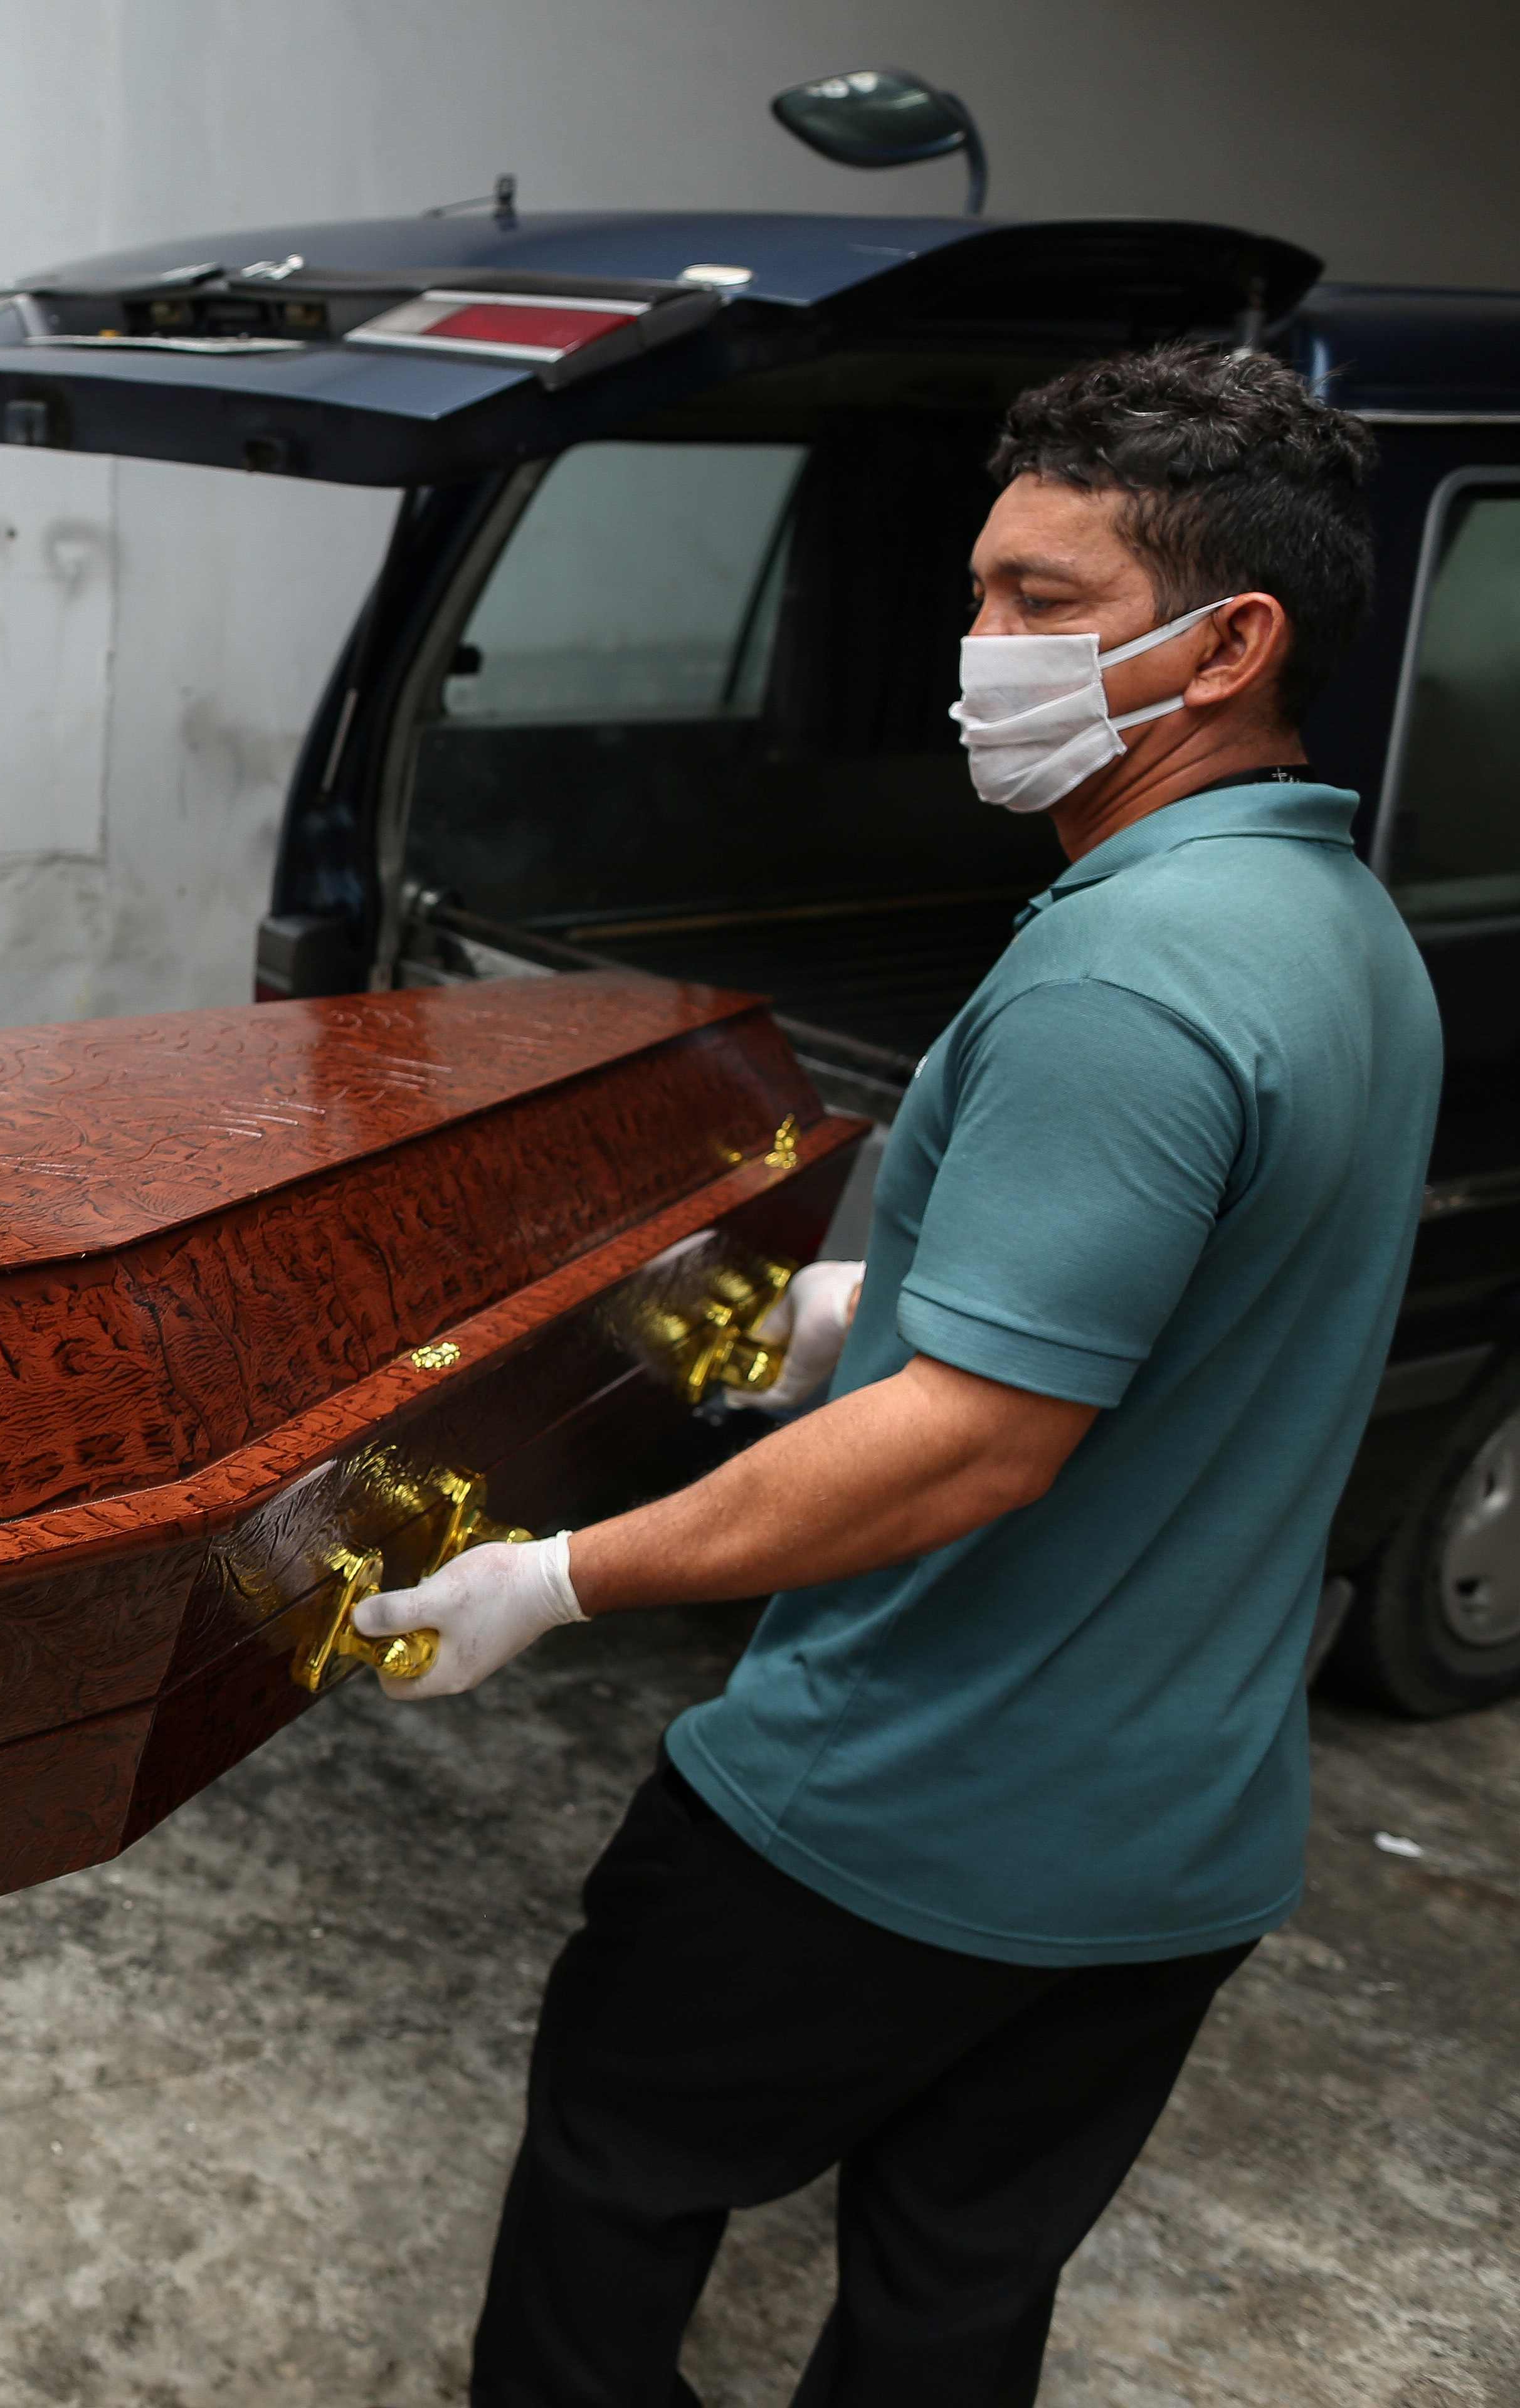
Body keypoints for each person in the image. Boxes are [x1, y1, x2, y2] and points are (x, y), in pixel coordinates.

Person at [354, 346, 1433, 2404]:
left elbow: (973, 1451)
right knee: (949, 2302)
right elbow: (1210, 1291)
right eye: (978, 591)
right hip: (1182, 1841)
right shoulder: (1332, 923)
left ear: (1232, 645)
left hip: (911, 1809)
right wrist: (880, 1303)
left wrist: (556, 1579)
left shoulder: (1128, 975)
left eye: (1048, 600)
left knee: (612, 2191)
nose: (983, 647)